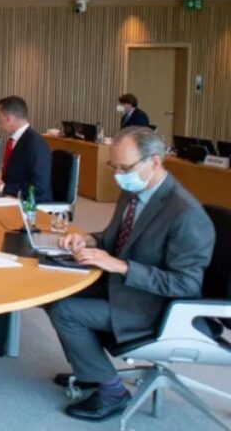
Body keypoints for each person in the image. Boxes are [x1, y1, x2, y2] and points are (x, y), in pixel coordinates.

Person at [46, 126, 214, 421]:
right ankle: (90, 371)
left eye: (125, 168)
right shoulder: (133, 192)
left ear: (155, 162)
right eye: (114, 166)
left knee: (66, 311)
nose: (118, 175)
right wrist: (89, 240)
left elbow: (186, 284)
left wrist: (120, 266)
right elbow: (115, 238)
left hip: (155, 305)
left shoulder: (185, 214)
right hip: (124, 286)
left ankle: (112, 392)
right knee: (53, 289)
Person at [0, 95, 52, 201]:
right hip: (11, 197)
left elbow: (39, 186)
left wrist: (3, 187)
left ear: (8, 119)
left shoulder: (35, 144)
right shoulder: (15, 140)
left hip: (30, 205)